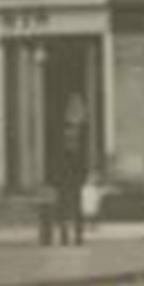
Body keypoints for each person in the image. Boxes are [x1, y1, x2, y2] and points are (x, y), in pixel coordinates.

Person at [53, 94, 89, 247]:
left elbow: (86, 153)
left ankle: (78, 236)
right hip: (64, 172)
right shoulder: (61, 128)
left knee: (77, 205)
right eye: (72, 107)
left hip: (77, 172)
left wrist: (85, 171)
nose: (76, 111)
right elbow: (57, 151)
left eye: (78, 107)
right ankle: (64, 235)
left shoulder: (85, 130)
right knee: (63, 205)